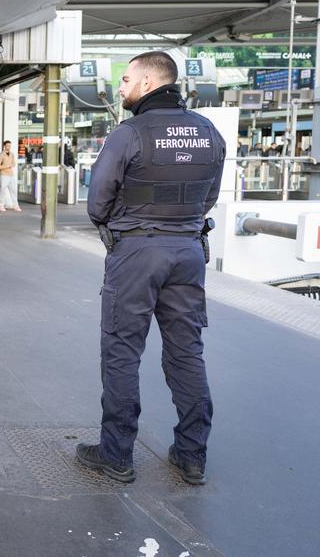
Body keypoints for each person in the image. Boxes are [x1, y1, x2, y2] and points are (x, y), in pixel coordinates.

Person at [77, 51, 225, 486]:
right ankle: (192, 455)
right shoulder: (208, 131)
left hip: (137, 254)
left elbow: (97, 201)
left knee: (122, 350)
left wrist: (122, 226)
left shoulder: (130, 133)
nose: (120, 88)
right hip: (188, 252)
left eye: (125, 80)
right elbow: (209, 196)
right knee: (186, 352)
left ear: (146, 83)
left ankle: (117, 455)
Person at [0, 140, 20, 212]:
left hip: (11, 175)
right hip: (4, 175)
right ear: (4, 146)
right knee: (2, 191)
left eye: (10, 145)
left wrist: (12, 165)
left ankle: (16, 206)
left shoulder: (12, 154)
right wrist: (7, 166)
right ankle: (1, 205)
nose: (9, 147)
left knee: (14, 191)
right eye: (7, 145)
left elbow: (14, 163)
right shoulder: (1, 155)